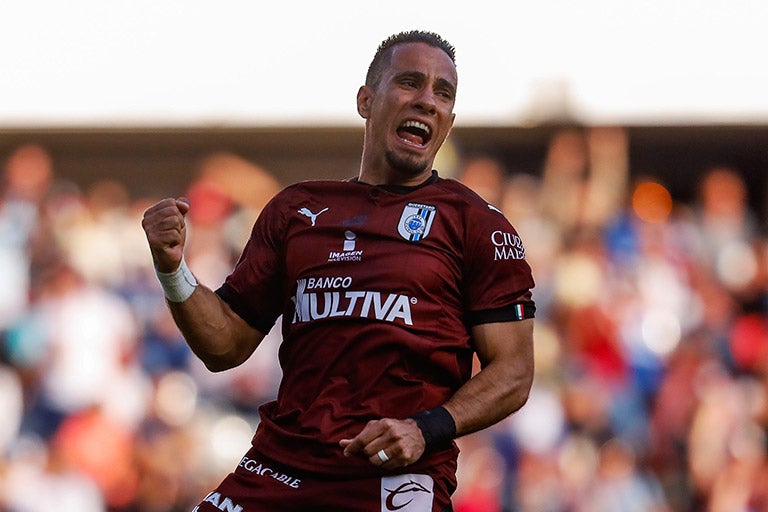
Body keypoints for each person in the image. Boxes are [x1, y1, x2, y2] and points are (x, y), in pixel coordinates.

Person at [142, 30, 536, 512]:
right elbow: (225, 345)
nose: (428, 101)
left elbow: (514, 370)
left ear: (450, 120)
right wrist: (172, 268)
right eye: (410, 83)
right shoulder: (297, 209)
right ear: (366, 100)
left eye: (443, 93)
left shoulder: (476, 224)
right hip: (280, 467)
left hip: (394, 476)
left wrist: (423, 428)